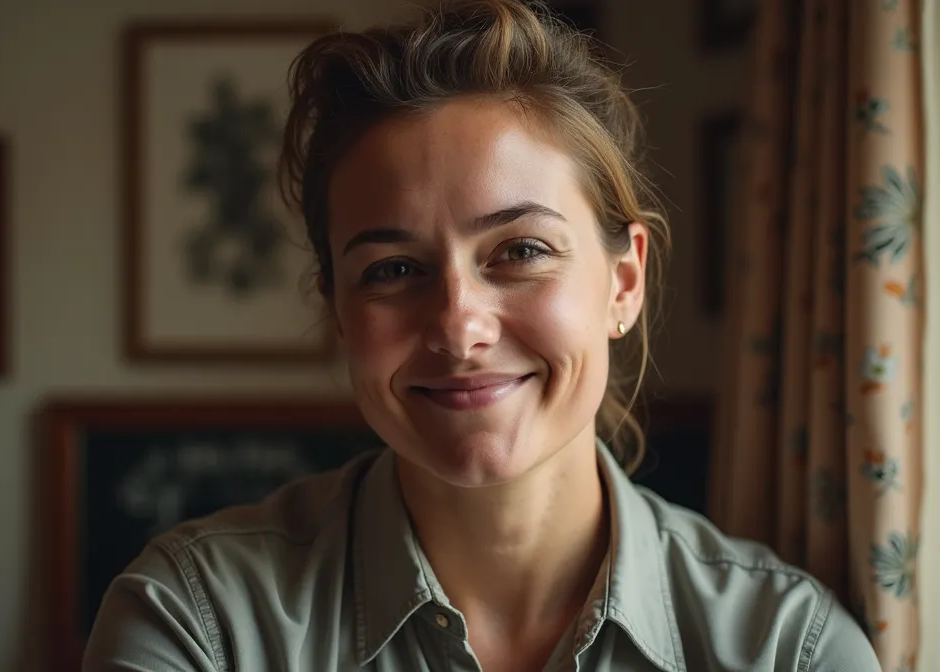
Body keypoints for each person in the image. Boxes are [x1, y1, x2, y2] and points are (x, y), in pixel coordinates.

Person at [82, 0, 882, 669]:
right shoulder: (196, 623)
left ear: (624, 282)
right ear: (338, 310)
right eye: (393, 269)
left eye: (521, 252)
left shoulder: (789, 649)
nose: (459, 327)